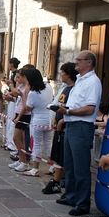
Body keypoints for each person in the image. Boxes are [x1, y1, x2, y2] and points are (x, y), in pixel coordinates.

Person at [55, 50, 102, 216]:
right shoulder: (80, 81)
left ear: (89, 62)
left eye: (78, 60)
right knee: (70, 164)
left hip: (81, 126)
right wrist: (64, 112)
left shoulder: (93, 82)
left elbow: (90, 109)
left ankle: (82, 204)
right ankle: (71, 196)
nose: (75, 63)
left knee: (81, 167)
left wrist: (68, 112)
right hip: (72, 125)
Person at [42, 62, 78, 194]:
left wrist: (62, 121)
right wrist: (54, 118)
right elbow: (60, 105)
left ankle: (59, 181)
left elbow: (72, 109)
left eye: (62, 72)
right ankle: (56, 180)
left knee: (63, 156)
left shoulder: (75, 90)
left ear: (68, 74)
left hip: (65, 127)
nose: (60, 75)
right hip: (58, 127)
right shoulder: (65, 89)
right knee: (57, 155)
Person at [20, 68, 53, 177]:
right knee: (48, 144)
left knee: (36, 145)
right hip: (48, 120)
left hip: (37, 120)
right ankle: (53, 165)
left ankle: (35, 169)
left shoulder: (33, 93)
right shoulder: (48, 87)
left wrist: (23, 96)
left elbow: (28, 108)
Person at [7, 69, 32, 171]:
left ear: (24, 77)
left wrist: (18, 117)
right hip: (18, 113)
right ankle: (21, 160)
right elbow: (16, 94)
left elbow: (25, 105)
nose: (17, 79)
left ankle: (24, 161)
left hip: (23, 114)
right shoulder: (21, 86)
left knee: (16, 138)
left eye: (18, 77)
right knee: (20, 139)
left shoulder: (27, 88)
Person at [2, 58, 20, 152]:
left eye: (9, 64)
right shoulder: (13, 75)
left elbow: (16, 90)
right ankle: (9, 141)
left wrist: (10, 95)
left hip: (14, 101)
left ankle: (12, 144)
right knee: (8, 122)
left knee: (11, 122)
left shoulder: (16, 75)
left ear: (11, 64)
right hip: (11, 100)